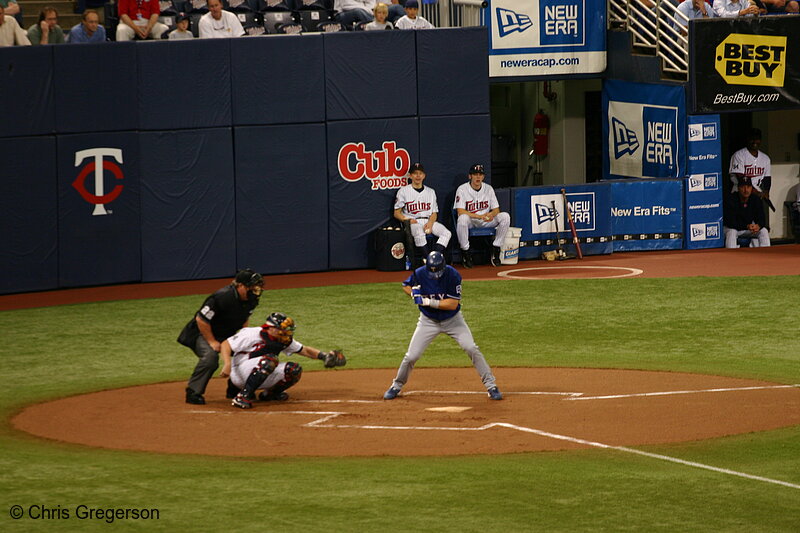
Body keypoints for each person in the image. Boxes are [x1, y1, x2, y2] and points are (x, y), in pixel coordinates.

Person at [383, 251, 502, 401]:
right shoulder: (420, 273)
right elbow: (405, 285)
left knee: (471, 347)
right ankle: (396, 385)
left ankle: (491, 385)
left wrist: (427, 302)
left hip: (453, 321)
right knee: (411, 356)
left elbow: (452, 305)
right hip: (428, 321)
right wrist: (414, 293)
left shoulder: (453, 275)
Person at [223, 312, 346, 409]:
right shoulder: (252, 333)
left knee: (293, 370)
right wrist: (227, 364)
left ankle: (270, 395)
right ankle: (243, 396)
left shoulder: (283, 339)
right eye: (283, 329)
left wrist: (324, 356)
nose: (286, 333)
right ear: (272, 328)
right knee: (270, 360)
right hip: (239, 372)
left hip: (259, 369)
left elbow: (305, 350)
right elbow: (226, 344)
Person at [177, 269, 265, 405]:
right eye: (251, 286)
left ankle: (234, 388)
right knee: (210, 358)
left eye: (256, 286)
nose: (255, 289)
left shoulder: (251, 299)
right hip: (202, 332)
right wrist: (212, 341)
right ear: (240, 285)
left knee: (250, 351)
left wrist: (244, 337)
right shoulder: (222, 297)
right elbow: (201, 319)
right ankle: (193, 392)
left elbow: (244, 318)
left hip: (226, 334)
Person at [453, 164, 511, 268]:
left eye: (480, 174)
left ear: (483, 177)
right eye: (475, 174)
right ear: (470, 176)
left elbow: (496, 210)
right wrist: (479, 216)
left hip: (486, 220)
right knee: (462, 219)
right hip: (471, 221)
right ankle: (465, 252)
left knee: (505, 216)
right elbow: (460, 211)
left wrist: (491, 214)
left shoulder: (488, 188)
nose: (478, 177)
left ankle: (496, 248)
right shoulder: (462, 189)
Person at [394, 162, 451, 267]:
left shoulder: (431, 192)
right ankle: (430, 260)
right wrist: (407, 220)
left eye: (420, 173)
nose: (418, 176)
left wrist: (430, 222)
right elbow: (396, 213)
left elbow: (434, 213)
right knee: (419, 232)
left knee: (446, 233)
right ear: (410, 176)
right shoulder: (403, 191)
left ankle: (433, 258)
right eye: (415, 173)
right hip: (413, 221)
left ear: (424, 175)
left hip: (429, 220)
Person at [729, 128, 772, 227]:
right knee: (738, 224)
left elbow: (767, 178)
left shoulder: (765, 158)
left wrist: (766, 192)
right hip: (739, 194)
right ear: (747, 139)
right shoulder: (739, 155)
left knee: (758, 226)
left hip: (756, 196)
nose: (754, 142)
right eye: (752, 139)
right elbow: (740, 178)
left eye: (757, 139)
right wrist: (757, 193)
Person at [723, 177, 770, 248]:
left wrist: (758, 226)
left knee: (763, 231)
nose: (746, 190)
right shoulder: (731, 199)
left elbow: (762, 218)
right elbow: (730, 222)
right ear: (738, 188)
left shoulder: (755, 199)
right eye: (743, 187)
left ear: (751, 188)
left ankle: (766, 255)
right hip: (733, 228)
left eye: (748, 187)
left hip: (748, 228)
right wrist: (747, 226)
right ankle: (731, 256)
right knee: (731, 232)